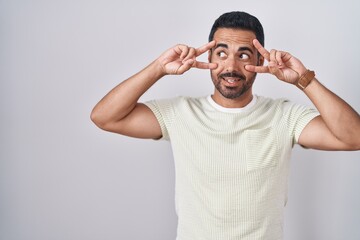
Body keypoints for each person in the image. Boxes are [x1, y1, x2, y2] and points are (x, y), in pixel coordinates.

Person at [91, 11, 360, 240]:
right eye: (221, 53)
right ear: (210, 57)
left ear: (259, 61)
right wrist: (159, 67)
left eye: (244, 55)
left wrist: (304, 79)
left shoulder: (284, 116)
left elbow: (354, 138)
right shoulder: (180, 113)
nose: (230, 66)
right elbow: (105, 116)